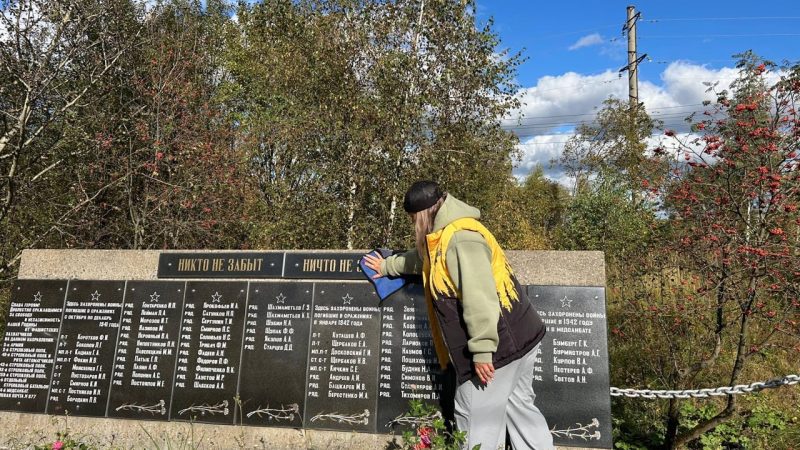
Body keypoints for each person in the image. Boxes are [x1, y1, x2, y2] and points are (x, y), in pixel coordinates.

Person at [364, 180, 554, 450]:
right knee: (519, 407)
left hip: (498, 347)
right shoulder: (449, 232)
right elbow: (425, 259)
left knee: (475, 421)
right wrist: (387, 265)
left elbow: (480, 297)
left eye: (412, 220)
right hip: (519, 337)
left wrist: (483, 351)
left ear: (421, 216)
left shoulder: (461, 238)